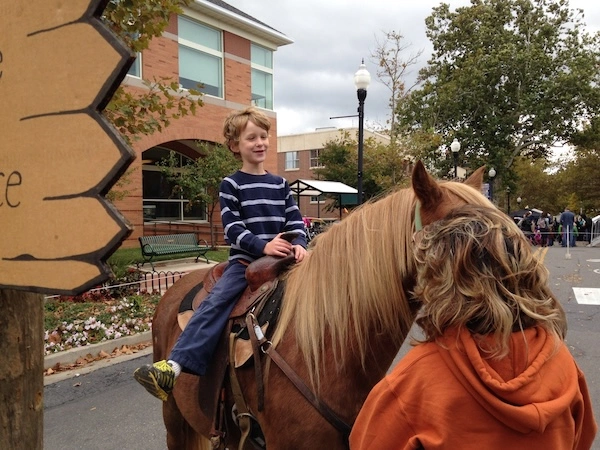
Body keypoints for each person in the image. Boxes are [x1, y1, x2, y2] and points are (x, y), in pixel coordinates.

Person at [350, 205, 597, 450]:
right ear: (524, 270)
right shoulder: (563, 364)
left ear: (440, 279)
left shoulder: (411, 383)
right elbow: (581, 438)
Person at [134, 107, 308, 401]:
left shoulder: (280, 185)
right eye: (251, 138)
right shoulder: (232, 185)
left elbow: (294, 219)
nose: (260, 143)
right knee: (216, 302)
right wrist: (263, 246)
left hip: (284, 262)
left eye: (263, 136)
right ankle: (173, 367)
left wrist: (300, 243)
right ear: (235, 145)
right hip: (246, 263)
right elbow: (233, 228)